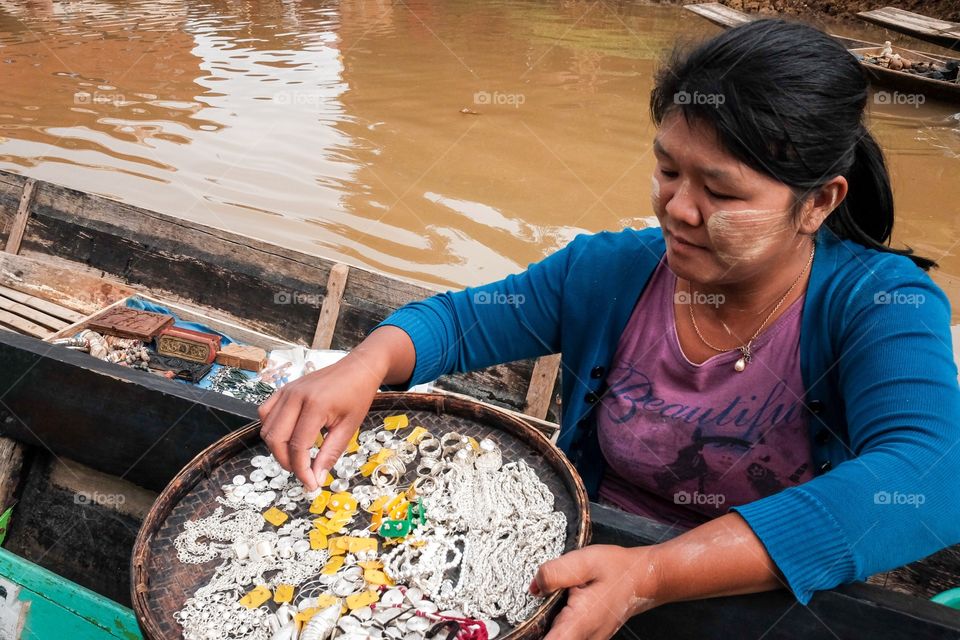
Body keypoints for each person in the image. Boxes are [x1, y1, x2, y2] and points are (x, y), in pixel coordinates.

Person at [259, 19, 960, 639]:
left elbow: (931, 478)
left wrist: (651, 575)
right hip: (585, 563)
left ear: (819, 203)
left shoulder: (877, 303)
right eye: (667, 170)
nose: (678, 209)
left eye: (720, 191)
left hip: (760, 598)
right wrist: (366, 363)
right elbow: (460, 321)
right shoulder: (612, 271)